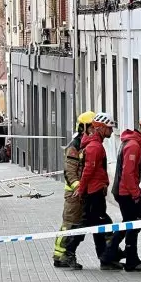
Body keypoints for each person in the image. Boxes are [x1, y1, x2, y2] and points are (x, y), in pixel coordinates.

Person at [101, 117, 141, 272]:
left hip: (124, 190)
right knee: (132, 225)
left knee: (129, 224)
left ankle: (111, 255)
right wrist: (135, 194)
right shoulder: (134, 145)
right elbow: (128, 174)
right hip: (126, 192)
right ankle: (127, 259)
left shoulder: (132, 142)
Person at [74, 112, 118, 269]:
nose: (112, 132)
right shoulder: (95, 147)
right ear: (100, 128)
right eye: (109, 128)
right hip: (93, 193)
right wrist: (81, 189)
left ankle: (106, 258)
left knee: (98, 226)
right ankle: (68, 251)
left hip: (96, 190)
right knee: (98, 224)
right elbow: (88, 170)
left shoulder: (95, 145)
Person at [53, 111, 96, 269]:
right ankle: (61, 256)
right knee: (70, 224)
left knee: (76, 224)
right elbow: (70, 171)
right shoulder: (75, 146)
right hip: (74, 193)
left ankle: (62, 255)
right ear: (83, 127)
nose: (94, 130)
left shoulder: (87, 144)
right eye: (91, 127)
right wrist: (79, 187)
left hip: (81, 192)